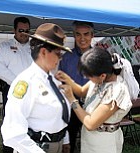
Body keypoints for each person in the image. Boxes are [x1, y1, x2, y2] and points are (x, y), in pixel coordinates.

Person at [1, 23, 72, 153]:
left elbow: (59, 113)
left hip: (56, 144)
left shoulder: (54, 80)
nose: (60, 58)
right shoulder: (26, 83)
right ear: (44, 52)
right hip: (36, 148)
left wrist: (65, 140)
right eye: (58, 53)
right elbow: (12, 133)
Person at [56, 46, 132, 153]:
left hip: (104, 143)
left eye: (89, 76)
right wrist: (68, 80)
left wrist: (72, 100)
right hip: (90, 139)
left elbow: (91, 124)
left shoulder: (116, 91)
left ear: (102, 75)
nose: (88, 79)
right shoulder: (100, 80)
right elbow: (82, 91)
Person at [0, 16, 32, 153]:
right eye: (21, 30)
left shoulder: (34, 47)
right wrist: (19, 84)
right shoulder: (5, 47)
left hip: (32, 92)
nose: (24, 33)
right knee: (11, 122)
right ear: (14, 30)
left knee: (29, 122)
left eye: (27, 30)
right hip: (12, 90)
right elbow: (0, 69)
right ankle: (9, 149)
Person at [58, 20, 94, 153]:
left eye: (86, 34)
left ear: (92, 36)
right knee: (69, 143)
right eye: (78, 34)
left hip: (93, 106)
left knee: (91, 142)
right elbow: (61, 83)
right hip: (71, 105)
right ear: (74, 35)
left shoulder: (100, 57)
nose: (82, 38)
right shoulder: (66, 57)